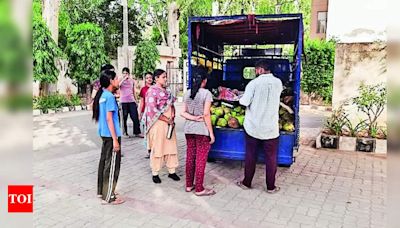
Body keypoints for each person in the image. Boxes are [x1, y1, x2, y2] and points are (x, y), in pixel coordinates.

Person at [236, 60, 283, 194]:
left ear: (261, 70)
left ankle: (247, 183)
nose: (256, 72)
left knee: (251, 155)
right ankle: (271, 187)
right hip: (271, 128)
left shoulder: (254, 83)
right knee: (271, 158)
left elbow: (244, 102)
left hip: (253, 127)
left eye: (256, 70)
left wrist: (239, 98)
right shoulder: (278, 83)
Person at [180, 66, 216, 196]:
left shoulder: (187, 93)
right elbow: (206, 115)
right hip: (201, 130)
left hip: (188, 130)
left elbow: (182, 113)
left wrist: (193, 118)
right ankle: (200, 189)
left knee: (190, 157)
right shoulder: (207, 94)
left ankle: (189, 185)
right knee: (200, 159)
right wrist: (211, 133)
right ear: (204, 80)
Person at [142, 69, 180, 184]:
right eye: (163, 77)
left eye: (166, 77)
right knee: (158, 148)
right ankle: (155, 173)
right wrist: (166, 119)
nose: (165, 79)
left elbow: (171, 104)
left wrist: (173, 115)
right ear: (156, 78)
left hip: (169, 124)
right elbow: (152, 110)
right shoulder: (151, 91)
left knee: (171, 146)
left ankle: (172, 171)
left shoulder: (167, 91)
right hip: (158, 124)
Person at [92, 70, 124, 205]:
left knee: (104, 163)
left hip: (104, 134)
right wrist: (116, 140)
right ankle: (109, 196)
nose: (118, 81)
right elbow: (109, 119)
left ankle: (102, 191)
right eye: (116, 79)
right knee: (112, 166)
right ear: (111, 81)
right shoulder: (109, 97)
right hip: (112, 135)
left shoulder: (103, 95)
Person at [119, 67, 143, 138]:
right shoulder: (120, 80)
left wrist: (136, 101)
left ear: (129, 74)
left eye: (126, 73)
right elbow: (118, 86)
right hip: (123, 101)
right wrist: (123, 79)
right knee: (124, 118)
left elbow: (133, 91)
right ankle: (125, 133)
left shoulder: (132, 81)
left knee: (135, 117)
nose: (125, 74)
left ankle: (137, 132)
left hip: (131, 100)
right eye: (124, 73)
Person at [139, 72, 154, 159]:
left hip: (154, 113)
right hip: (146, 113)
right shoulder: (143, 89)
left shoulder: (155, 88)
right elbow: (142, 102)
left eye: (150, 77)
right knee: (147, 132)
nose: (149, 79)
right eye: (147, 78)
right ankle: (149, 151)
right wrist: (140, 112)